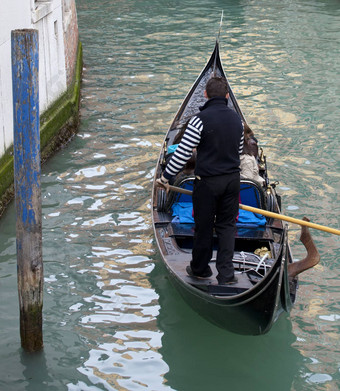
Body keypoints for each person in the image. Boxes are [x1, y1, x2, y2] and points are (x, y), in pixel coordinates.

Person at [156, 76, 244, 285]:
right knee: (226, 226)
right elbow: (238, 152)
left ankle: (200, 270)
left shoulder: (199, 120)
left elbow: (183, 154)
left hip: (208, 183)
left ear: (205, 95)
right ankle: (226, 275)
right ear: (227, 97)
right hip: (232, 181)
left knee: (204, 227)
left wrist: (165, 177)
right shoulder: (237, 121)